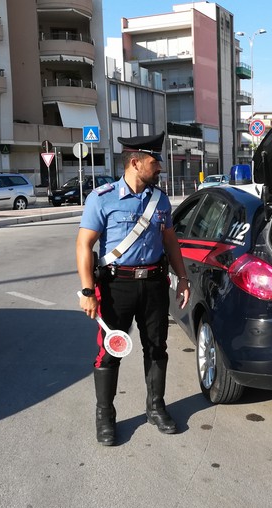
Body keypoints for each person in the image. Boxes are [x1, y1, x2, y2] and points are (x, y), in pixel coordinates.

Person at [75, 131, 190, 446]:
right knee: (110, 351)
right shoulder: (103, 198)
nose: (161, 167)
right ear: (136, 162)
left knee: (156, 348)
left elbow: (170, 242)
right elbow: (84, 245)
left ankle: (156, 407)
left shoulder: (160, 199)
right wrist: (87, 291)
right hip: (116, 287)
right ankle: (105, 415)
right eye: (155, 161)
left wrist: (183, 277)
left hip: (153, 284)